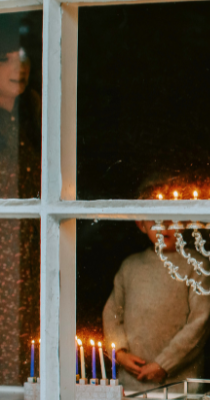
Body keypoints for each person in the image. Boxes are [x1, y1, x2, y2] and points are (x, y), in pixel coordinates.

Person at [102, 215, 210, 393]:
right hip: (131, 384)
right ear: (141, 225)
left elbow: (200, 322)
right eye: (155, 220)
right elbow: (111, 313)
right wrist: (120, 353)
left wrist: (164, 364)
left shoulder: (196, 265)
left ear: (184, 223)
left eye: (171, 219)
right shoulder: (130, 266)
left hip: (179, 387)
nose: (164, 227)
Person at [0, 14, 41, 385]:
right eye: (7, 56)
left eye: (24, 56)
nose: (19, 66)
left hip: (30, 252)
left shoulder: (37, 113)